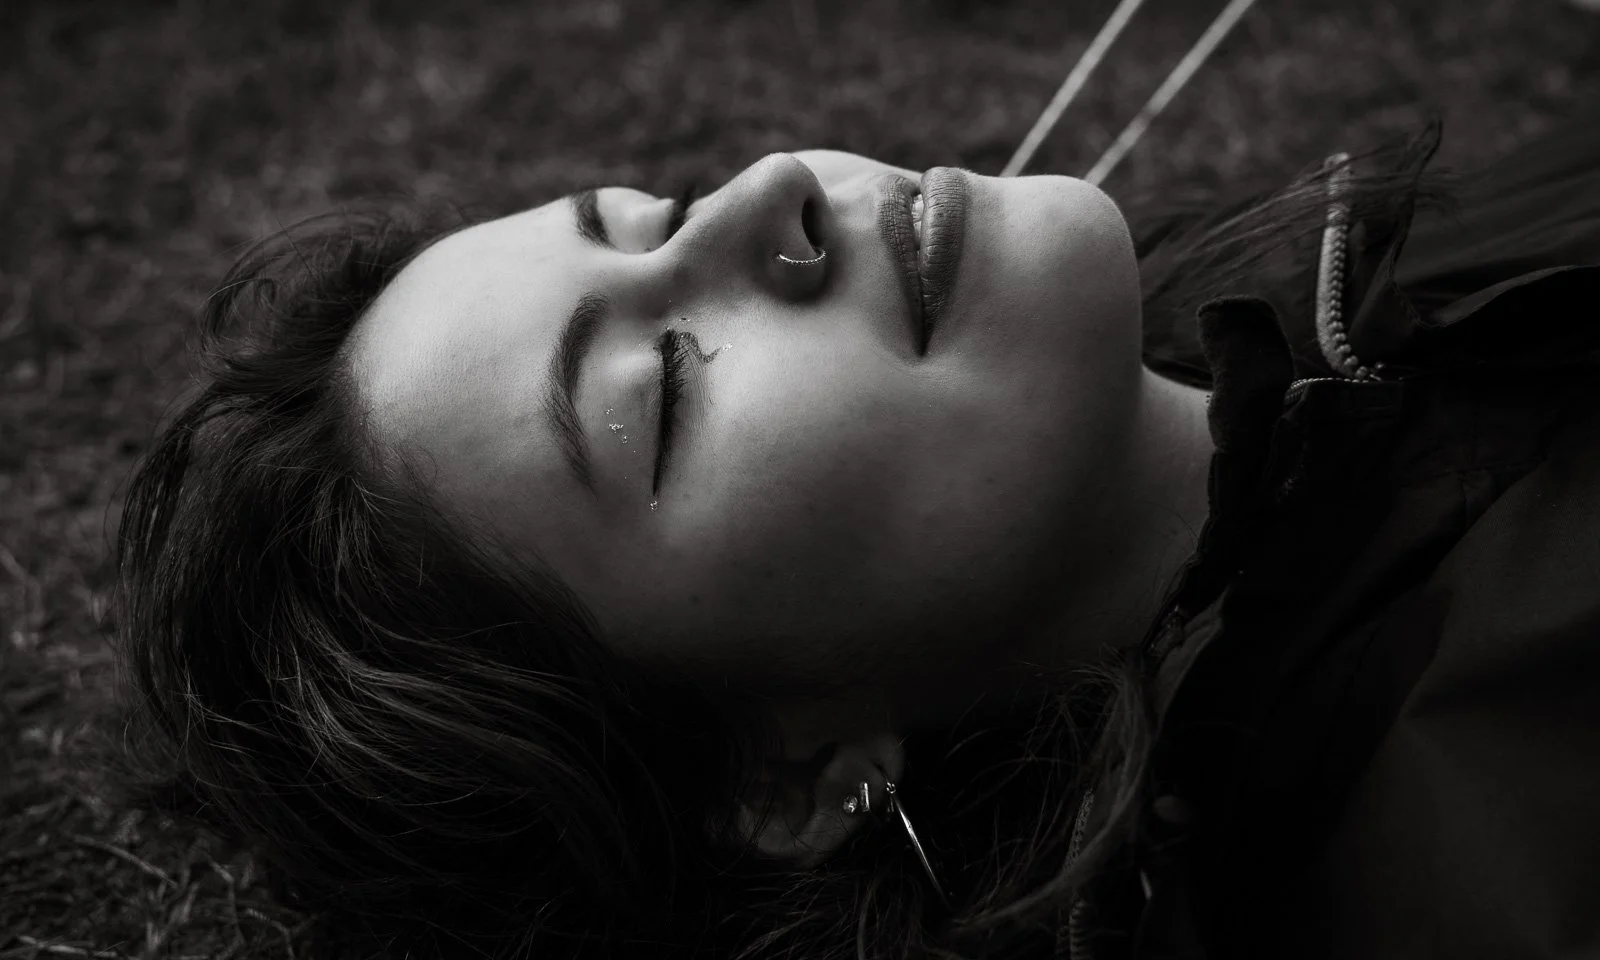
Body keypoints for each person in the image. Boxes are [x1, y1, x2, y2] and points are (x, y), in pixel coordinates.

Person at [113, 103, 1600, 960]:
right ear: (786, 780)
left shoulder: (1303, 284)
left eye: (658, 214)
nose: (770, 194)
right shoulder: (1511, 841)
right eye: (668, 393)